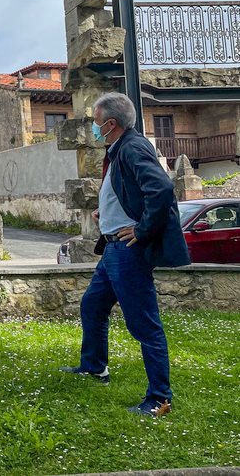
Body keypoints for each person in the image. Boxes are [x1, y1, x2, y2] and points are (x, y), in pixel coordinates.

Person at [61, 92, 190, 417]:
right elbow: (128, 190)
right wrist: (106, 213)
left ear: (110, 124)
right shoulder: (119, 149)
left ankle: (160, 398)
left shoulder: (131, 147)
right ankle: (94, 367)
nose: (93, 127)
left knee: (145, 324)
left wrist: (142, 230)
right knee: (93, 304)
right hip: (113, 248)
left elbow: (160, 189)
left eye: (95, 122)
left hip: (128, 250)